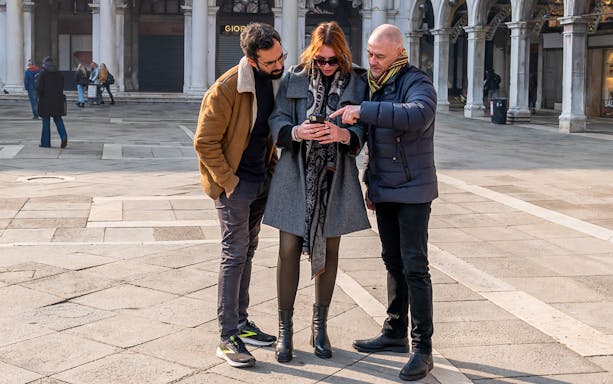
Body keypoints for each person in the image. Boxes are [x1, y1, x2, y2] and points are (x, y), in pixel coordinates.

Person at [330, 24, 438, 382]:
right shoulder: (376, 84)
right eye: (370, 55)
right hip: (386, 189)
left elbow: (416, 115)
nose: (372, 62)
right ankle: (394, 332)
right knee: (392, 260)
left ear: (398, 53)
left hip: (413, 190)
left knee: (415, 266)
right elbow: (375, 143)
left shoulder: (416, 81)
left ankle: (423, 348)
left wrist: (364, 110)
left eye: (379, 56)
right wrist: (371, 186)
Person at [263, 21, 370, 363]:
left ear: (343, 56)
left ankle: (319, 327)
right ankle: (285, 331)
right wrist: (296, 131)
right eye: (320, 60)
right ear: (312, 53)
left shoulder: (357, 79)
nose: (326, 66)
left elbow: (365, 126)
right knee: (288, 249)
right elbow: (276, 119)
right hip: (295, 174)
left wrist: (344, 137)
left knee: (330, 250)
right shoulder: (294, 77)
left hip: (335, 176)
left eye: (333, 60)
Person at [193, 22, 284, 369]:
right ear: (250, 58)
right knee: (234, 255)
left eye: (280, 57)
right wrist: (228, 181)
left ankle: (242, 323)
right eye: (270, 61)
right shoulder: (227, 88)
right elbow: (204, 142)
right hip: (235, 185)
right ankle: (227, 334)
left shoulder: (274, 80)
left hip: (261, 179)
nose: (278, 65)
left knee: (248, 252)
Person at [37, 56, 68, 148]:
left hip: (45, 101)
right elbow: (62, 87)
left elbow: (39, 88)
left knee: (46, 122)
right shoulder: (59, 74)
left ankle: (45, 143)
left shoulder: (43, 74)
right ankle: (64, 136)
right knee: (58, 120)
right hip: (57, 101)